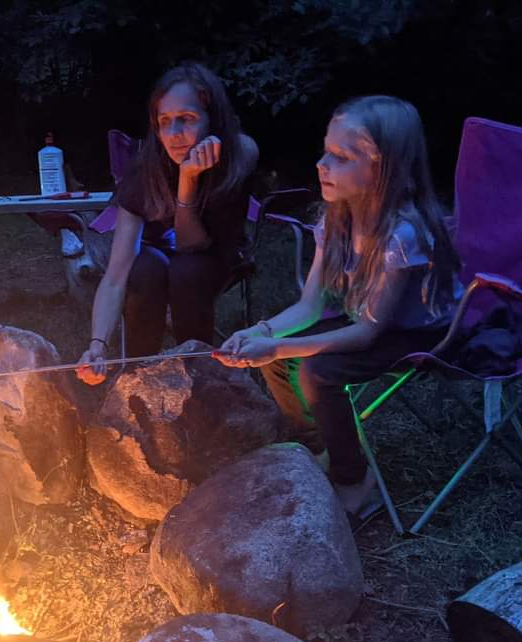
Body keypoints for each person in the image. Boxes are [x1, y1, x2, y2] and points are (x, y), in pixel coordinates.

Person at [215, 95, 462, 516]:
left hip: (421, 332)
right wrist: (262, 333)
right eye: (326, 150)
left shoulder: (403, 235)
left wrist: (276, 346)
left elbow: (369, 333)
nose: (322, 164)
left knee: (318, 372)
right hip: (368, 320)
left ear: (382, 168)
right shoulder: (335, 221)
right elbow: (310, 307)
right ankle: (326, 443)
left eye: (342, 156)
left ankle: (355, 479)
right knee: (278, 361)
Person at [76, 63, 258, 383]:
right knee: (143, 269)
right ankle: (136, 379)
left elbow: (193, 244)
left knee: (187, 271)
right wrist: (97, 346)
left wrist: (187, 181)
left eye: (186, 119)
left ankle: (199, 380)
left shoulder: (240, 152)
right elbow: (117, 273)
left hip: (216, 254)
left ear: (211, 117)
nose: (173, 134)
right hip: (162, 252)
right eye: (164, 121)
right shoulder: (145, 168)